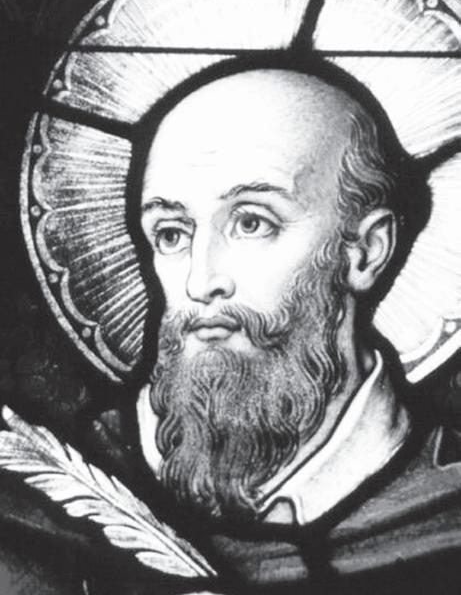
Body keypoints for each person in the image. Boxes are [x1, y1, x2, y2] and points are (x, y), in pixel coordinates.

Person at [1, 57, 461, 595]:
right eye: (171, 234)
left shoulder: (445, 499)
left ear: (365, 251)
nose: (201, 281)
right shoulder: (68, 481)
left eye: (251, 222)